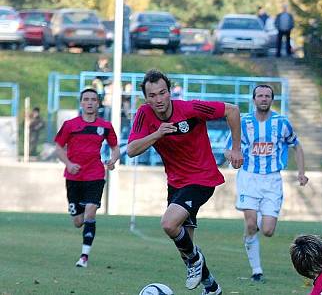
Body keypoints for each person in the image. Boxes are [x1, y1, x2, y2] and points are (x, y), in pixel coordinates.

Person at [127, 69, 243, 295]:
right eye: (152, 96)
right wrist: (157, 134)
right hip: (176, 182)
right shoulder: (144, 114)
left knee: (169, 224)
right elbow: (131, 149)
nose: (158, 99)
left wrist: (236, 148)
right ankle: (212, 287)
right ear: (146, 98)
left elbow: (232, 110)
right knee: (184, 247)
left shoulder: (190, 109)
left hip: (202, 177)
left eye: (162, 93)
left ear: (170, 91)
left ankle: (196, 260)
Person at [225, 84, 308, 283]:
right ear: (254, 99)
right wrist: (233, 157)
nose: (263, 99)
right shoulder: (243, 122)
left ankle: (255, 227)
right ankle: (256, 270)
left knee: (268, 230)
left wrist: (301, 172)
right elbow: (228, 149)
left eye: (267, 96)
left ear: (272, 99)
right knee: (251, 223)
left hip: (272, 179)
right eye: (260, 95)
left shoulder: (282, 122)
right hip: (249, 177)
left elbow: (297, 146)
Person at [54, 88, 120, 268]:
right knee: (78, 222)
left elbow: (115, 148)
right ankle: (81, 217)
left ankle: (84, 256)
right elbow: (59, 147)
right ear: (81, 103)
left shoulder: (105, 126)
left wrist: (112, 161)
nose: (90, 102)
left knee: (91, 212)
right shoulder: (70, 125)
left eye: (93, 99)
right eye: (86, 99)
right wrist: (68, 164)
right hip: (73, 177)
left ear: (98, 103)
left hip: (95, 174)